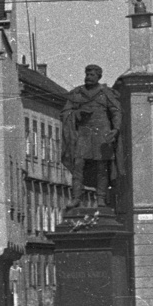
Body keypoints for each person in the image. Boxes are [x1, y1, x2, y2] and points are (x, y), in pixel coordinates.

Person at [59, 64, 123, 209]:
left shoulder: (106, 93)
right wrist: (78, 114)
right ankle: (76, 197)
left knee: (102, 168)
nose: (88, 77)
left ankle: (101, 197)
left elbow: (116, 112)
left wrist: (116, 129)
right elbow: (65, 113)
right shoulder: (77, 93)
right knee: (78, 165)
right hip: (84, 134)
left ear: (98, 77)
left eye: (92, 75)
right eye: (87, 74)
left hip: (103, 135)